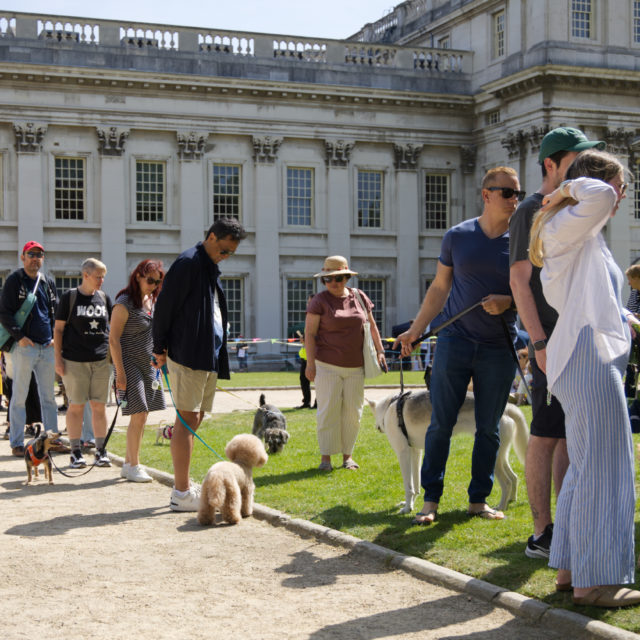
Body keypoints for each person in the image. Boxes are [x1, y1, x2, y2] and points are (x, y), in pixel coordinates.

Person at [529, 149, 640, 607]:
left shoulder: (578, 230)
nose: (622, 195)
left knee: (585, 467)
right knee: (605, 469)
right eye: (621, 185)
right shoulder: (569, 219)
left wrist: (626, 322)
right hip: (588, 359)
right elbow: (593, 194)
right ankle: (595, 583)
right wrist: (569, 187)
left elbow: (590, 297)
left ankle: (573, 569)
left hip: (586, 356)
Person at [395, 167, 521, 523]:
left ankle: (478, 501)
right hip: (455, 341)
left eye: (517, 194)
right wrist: (415, 330)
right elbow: (439, 288)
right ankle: (430, 501)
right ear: (486, 194)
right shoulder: (457, 236)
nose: (514, 200)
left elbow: (535, 291)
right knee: (440, 424)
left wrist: (508, 301)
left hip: (499, 346)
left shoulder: (523, 241)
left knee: (489, 427)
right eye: (507, 193)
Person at [509, 127, 604, 558]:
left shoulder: (573, 205)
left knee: (569, 435)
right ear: (551, 164)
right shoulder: (531, 210)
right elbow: (519, 281)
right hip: (553, 344)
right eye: (574, 158)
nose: (584, 164)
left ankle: (564, 524)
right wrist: (540, 341)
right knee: (546, 435)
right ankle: (540, 532)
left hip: (582, 343)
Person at [152, 217, 247, 511]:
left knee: (195, 418)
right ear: (211, 236)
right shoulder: (188, 262)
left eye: (231, 253)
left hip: (208, 353)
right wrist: (158, 347)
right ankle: (180, 493)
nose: (226, 256)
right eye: (224, 250)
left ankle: (184, 486)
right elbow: (164, 308)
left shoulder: (209, 266)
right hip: (188, 352)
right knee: (185, 419)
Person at [304, 255, 387, 471]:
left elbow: (372, 326)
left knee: (353, 412)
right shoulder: (319, 301)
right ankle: (326, 459)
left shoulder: (359, 297)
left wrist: (380, 351)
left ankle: (347, 457)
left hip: (356, 366)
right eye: (328, 279)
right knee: (328, 410)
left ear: (346, 277)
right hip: (326, 365)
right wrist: (310, 364)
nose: (333, 283)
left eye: (338, 278)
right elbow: (310, 334)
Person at [0, 241, 59, 456]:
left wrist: (54, 337)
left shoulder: (48, 282)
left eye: (39, 255)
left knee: (49, 397)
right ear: (22, 257)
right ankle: (16, 442)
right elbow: (4, 313)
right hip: (24, 347)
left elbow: (55, 312)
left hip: (47, 346)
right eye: (31, 254)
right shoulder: (15, 280)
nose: (36, 258)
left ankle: (52, 439)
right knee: (19, 396)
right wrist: (20, 337)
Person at [109, 259, 166, 483]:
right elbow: (113, 340)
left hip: (148, 365)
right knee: (139, 414)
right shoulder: (124, 303)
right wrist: (120, 374)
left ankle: (127, 462)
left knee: (143, 416)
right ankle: (134, 465)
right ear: (138, 276)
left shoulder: (151, 301)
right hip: (128, 363)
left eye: (157, 282)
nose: (153, 285)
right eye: (150, 280)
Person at [54, 258, 113, 469]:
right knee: (76, 406)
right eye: (98, 276)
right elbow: (58, 329)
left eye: (103, 276)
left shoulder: (104, 298)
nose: (101, 280)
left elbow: (110, 330)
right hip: (74, 360)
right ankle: (75, 452)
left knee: (99, 406)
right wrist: (58, 359)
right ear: (86, 275)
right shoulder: (70, 297)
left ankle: (100, 450)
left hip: (100, 360)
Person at [296, 294, 316, 409]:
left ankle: (318, 403)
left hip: (315, 356)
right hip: (305, 355)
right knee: (303, 380)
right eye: (308, 302)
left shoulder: (319, 316)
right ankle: (306, 402)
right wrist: (304, 339)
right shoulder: (309, 316)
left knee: (318, 382)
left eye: (311, 302)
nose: (308, 304)